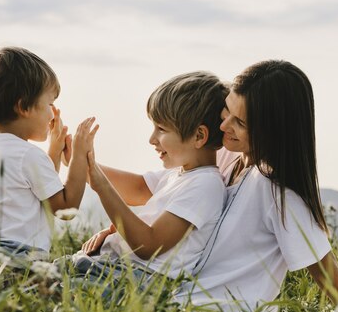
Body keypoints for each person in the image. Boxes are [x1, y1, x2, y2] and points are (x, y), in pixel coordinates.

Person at [176, 60, 338, 312]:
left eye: (239, 122)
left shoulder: (279, 192)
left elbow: (327, 276)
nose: (223, 125)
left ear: (273, 132)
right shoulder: (229, 159)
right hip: (180, 308)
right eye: (226, 109)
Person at [70, 71, 228, 283]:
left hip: (137, 277)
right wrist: (81, 160)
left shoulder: (205, 185)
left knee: (45, 285)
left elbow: (148, 245)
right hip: (116, 266)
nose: (152, 139)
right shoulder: (180, 174)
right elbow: (134, 189)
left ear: (198, 136)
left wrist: (102, 187)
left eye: (161, 129)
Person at [0, 46, 98, 260]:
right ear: (24, 107)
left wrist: (53, 151)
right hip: (15, 264)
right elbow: (66, 207)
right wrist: (79, 156)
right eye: (50, 104)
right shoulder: (28, 155)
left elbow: (42, 192)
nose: (53, 113)